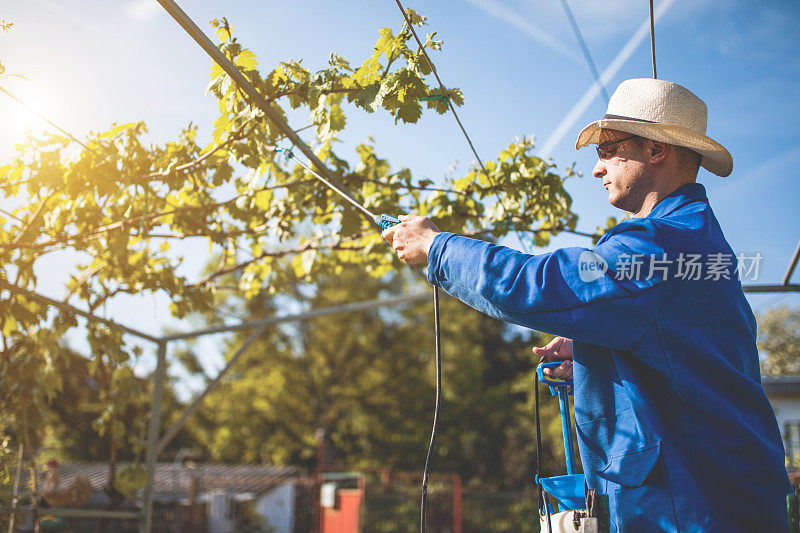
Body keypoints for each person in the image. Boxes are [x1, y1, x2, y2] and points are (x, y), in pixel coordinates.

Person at [383, 78, 792, 532]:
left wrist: (436, 246)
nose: (596, 169)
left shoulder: (658, 246)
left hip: (698, 511)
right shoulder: (697, 242)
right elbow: (686, 360)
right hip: (724, 499)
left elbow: (539, 285)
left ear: (657, 150)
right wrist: (598, 356)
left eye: (607, 150)